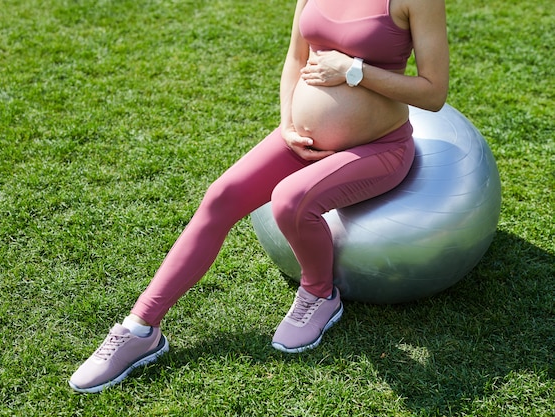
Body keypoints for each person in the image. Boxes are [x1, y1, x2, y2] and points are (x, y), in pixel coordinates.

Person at [69, 0, 449, 393]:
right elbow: (295, 58)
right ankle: (140, 328)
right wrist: (287, 124)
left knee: (289, 199)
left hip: (378, 149)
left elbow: (433, 93)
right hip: (299, 141)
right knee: (221, 196)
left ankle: (320, 294)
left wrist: (354, 71)